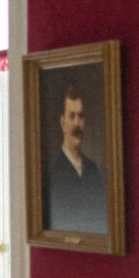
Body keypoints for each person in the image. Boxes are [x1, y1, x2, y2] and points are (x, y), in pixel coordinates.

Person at [45, 83, 106, 234]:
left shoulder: (93, 171)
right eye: (72, 116)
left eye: (80, 116)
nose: (77, 124)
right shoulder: (52, 172)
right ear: (62, 122)